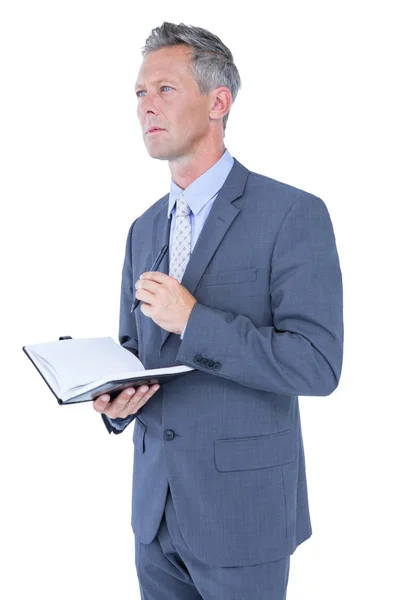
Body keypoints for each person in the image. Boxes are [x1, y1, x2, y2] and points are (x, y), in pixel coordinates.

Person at [92, 21, 344, 600]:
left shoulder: (292, 214)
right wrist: (113, 398)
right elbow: (136, 351)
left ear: (218, 101)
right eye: (139, 93)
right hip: (154, 516)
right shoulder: (144, 227)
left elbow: (318, 365)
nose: (145, 107)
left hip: (242, 516)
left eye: (164, 90)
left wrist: (195, 321)